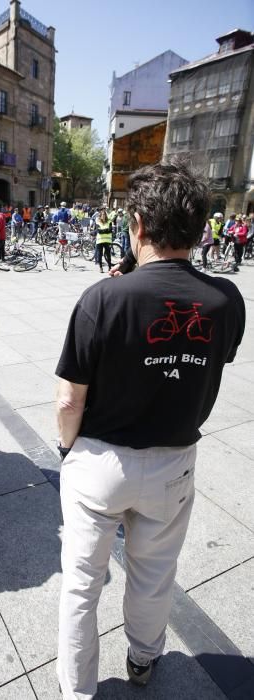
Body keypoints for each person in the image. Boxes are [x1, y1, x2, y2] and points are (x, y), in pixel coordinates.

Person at [55, 157, 245, 698]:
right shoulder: (226, 300)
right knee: (153, 576)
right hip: (172, 461)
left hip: (99, 461)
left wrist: (67, 448)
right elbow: (214, 359)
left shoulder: (102, 297)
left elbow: (70, 397)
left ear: (137, 225)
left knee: (81, 586)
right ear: (201, 227)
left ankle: (78, 690)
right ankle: (143, 658)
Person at [94, 207, 113, 272]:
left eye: (104, 215)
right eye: (102, 215)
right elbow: (98, 231)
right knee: (99, 254)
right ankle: (100, 267)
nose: (103, 216)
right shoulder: (98, 222)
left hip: (107, 241)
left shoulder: (109, 222)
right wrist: (106, 230)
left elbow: (110, 230)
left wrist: (103, 230)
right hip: (100, 241)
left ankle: (110, 267)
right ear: (100, 216)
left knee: (108, 254)